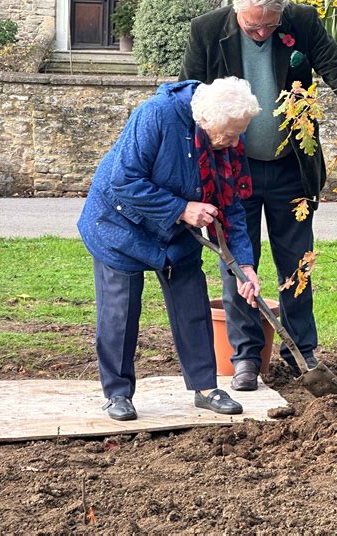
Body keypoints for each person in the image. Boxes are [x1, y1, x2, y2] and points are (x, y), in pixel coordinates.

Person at [179, 0, 337, 391]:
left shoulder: (302, 21)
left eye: (269, 26)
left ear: (282, 14)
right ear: (234, 5)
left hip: (289, 168)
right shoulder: (206, 32)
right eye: (252, 26)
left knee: (297, 261)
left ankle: (302, 349)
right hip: (232, 168)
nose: (261, 34)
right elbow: (190, 97)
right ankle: (245, 356)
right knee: (238, 264)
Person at [77, 77, 261, 421]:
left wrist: (244, 265)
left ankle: (206, 387)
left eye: (240, 133)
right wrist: (183, 209)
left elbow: (232, 202)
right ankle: (117, 394)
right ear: (204, 120)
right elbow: (124, 180)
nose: (236, 142)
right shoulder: (156, 115)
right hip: (119, 224)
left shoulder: (229, 133)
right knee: (120, 311)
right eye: (231, 134)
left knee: (191, 303)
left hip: (177, 234)